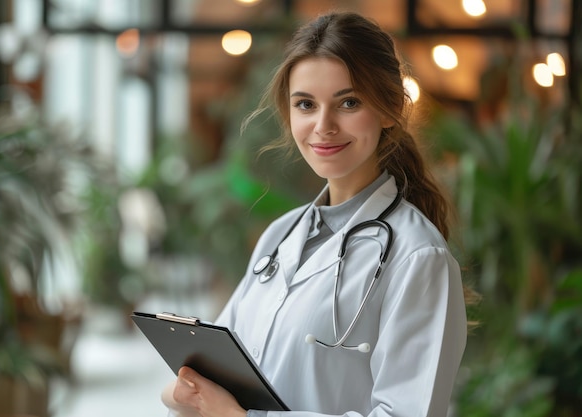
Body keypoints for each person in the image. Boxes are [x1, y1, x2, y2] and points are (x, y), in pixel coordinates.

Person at [162, 10, 470, 417]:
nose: (323, 125)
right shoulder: (279, 237)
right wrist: (183, 391)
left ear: (390, 108)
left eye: (348, 102)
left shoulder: (418, 258)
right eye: (305, 104)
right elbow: (219, 374)